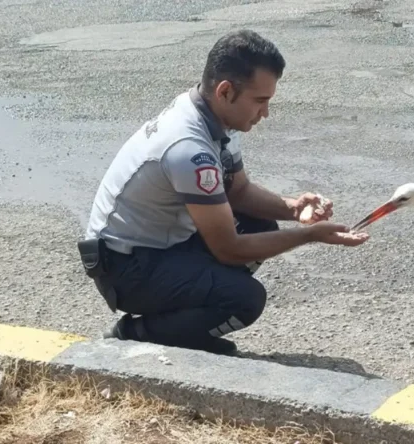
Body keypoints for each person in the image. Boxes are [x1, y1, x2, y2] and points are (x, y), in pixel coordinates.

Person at [77, 29, 369, 356]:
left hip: (154, 247)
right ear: (226, 91)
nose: (266, 113)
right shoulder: (188, 147)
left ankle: (185, 316)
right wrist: (310, 236)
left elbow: (239, 192)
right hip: (124, 269)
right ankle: (134, 333)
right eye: (260, 101)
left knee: (260, 225)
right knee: (244, 299)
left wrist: (292, 207)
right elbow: (229, 250)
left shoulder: (214, 117)